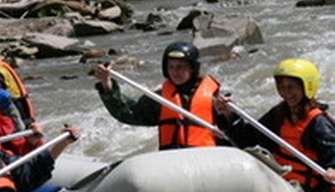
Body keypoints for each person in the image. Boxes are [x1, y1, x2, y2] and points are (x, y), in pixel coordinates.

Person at [219, 58, 335, 192]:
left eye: (291, 87)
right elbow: (248, 140)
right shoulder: (278, 114)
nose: (286, 93)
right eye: (281, 87)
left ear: (307, 87)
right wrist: (229, 115)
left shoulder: (318, 122)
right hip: (284, 185)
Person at [93, 41, 233, 150]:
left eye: (181, 67)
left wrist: (228, 113)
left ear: (192, 68)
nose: (175, 72)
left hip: (207, 158)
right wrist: (106, 84)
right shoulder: (160, 99)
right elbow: (127, 112)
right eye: (171, 67)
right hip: (173, 162)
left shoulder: (213, 98)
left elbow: (233, 132)